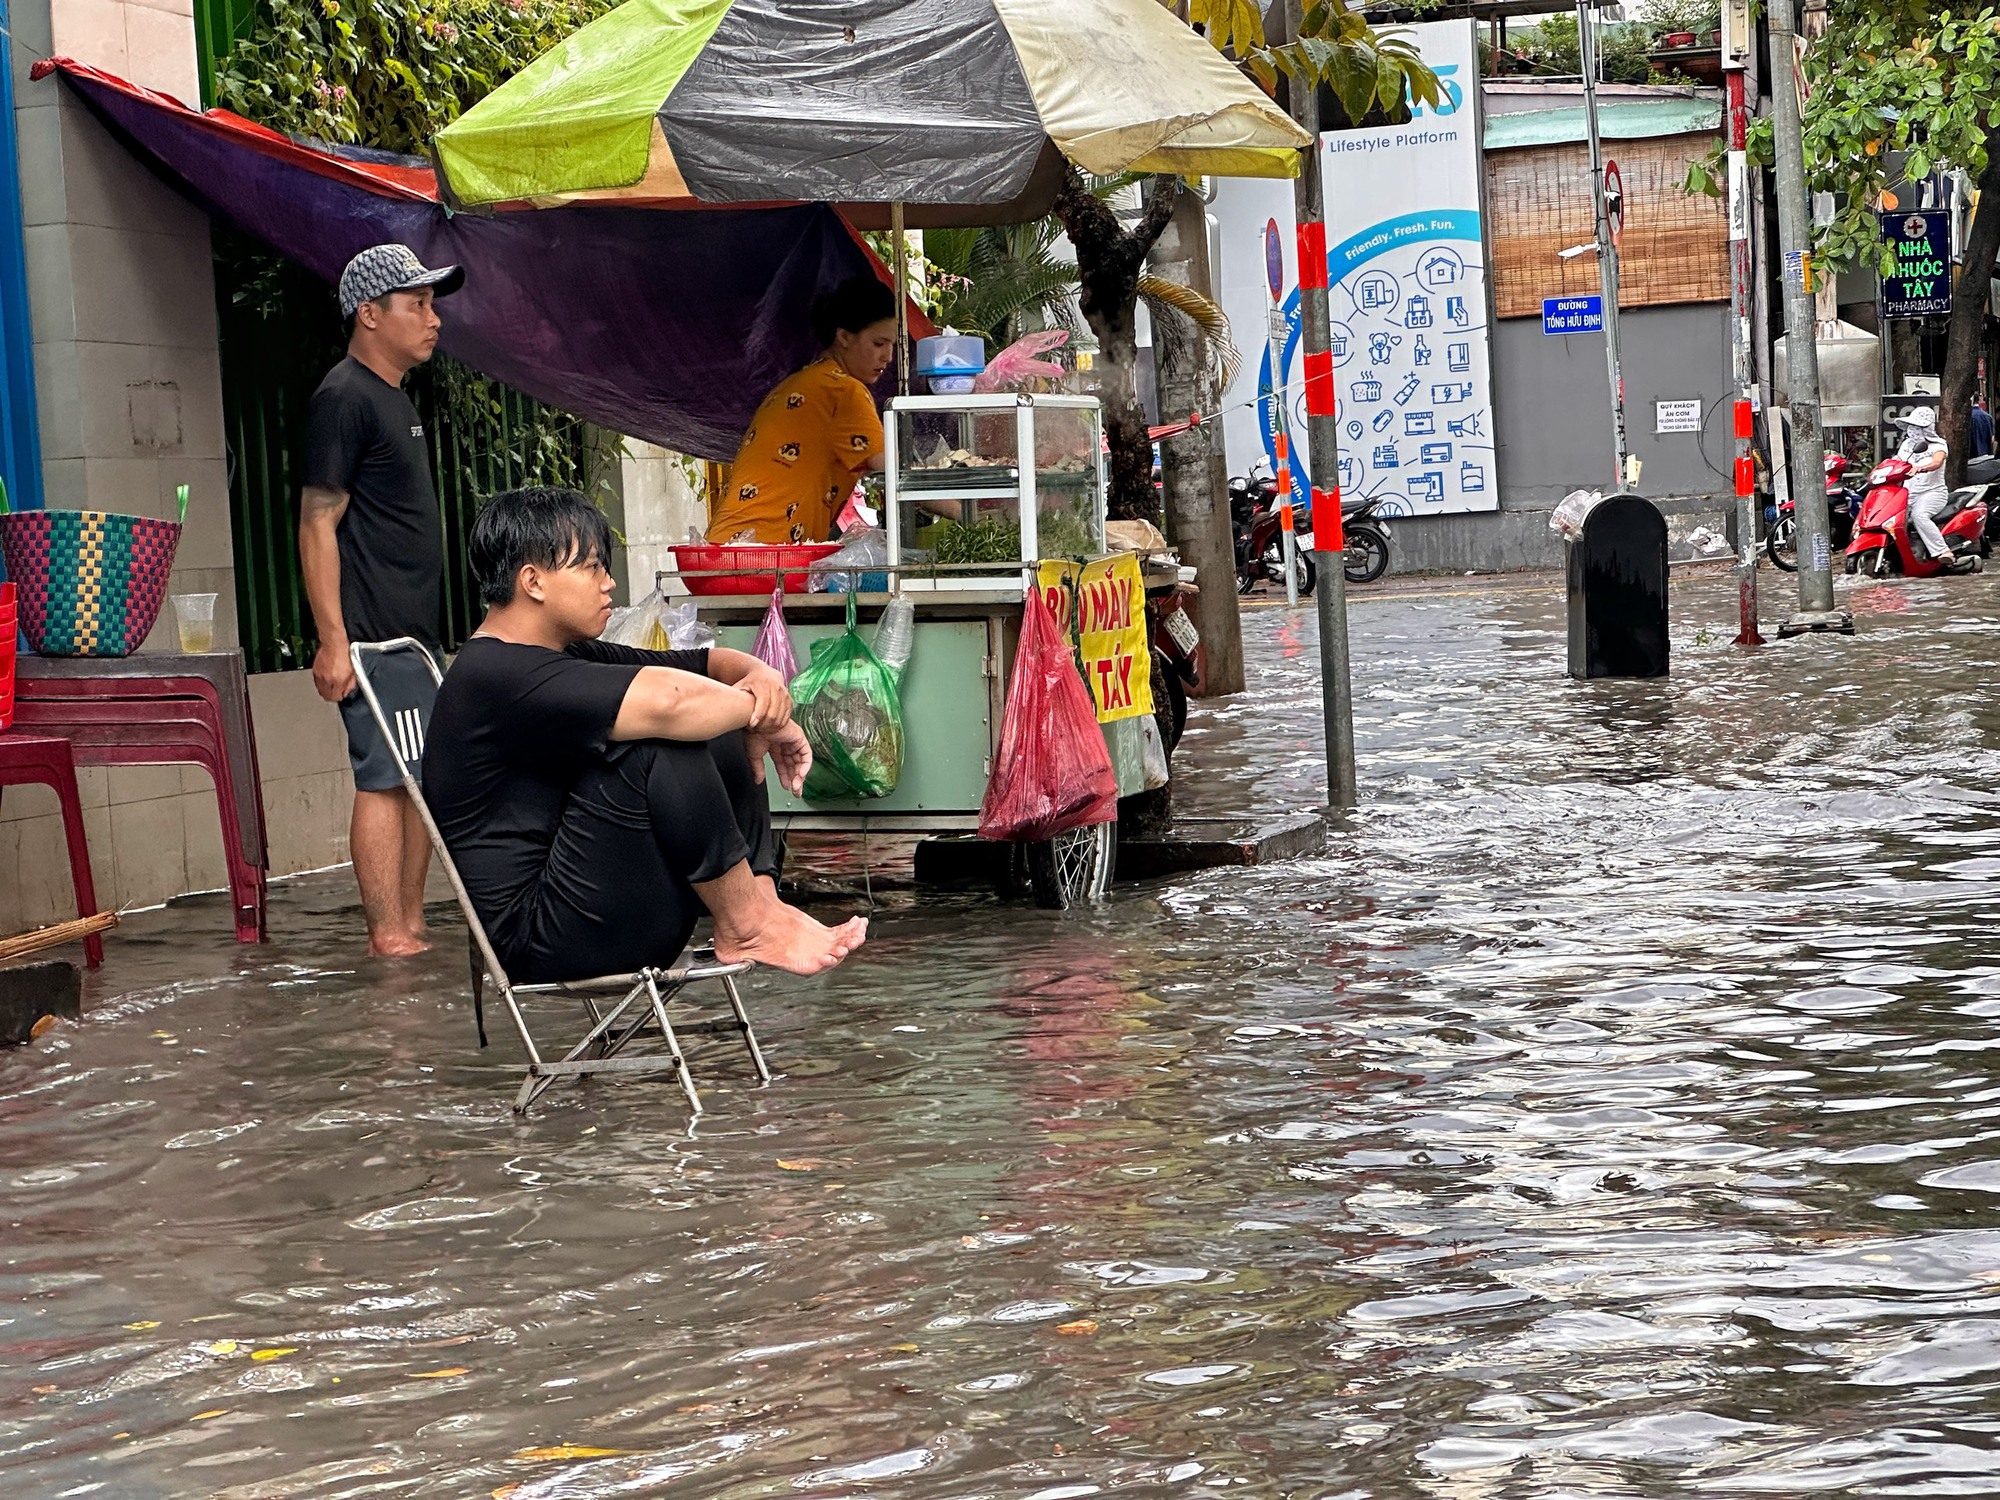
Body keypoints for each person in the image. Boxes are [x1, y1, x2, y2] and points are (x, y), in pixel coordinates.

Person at [423, 487, 868, 983]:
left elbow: (708, 668)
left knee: (712, 713)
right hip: (543, 938)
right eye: (592, 567)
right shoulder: (495, 675)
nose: (609, 584)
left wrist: (760, 677)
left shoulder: (562, 654)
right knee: (660, 741)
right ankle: (745, 920)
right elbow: (670, 703)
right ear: (534, 581)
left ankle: (759, 900)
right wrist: (767, 716)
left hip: (596, 909)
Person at [300, 244, 466, 957]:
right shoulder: (343, 396)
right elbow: (317, 520)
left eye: (433, 304)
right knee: (383, 775)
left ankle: (410, 926)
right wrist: (334, 640)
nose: (433, 320)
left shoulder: (394, 398)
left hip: (411, 635)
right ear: (371, 314)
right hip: (371, 637)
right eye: (417, 304)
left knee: (416, 778)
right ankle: (387, 935)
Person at [705, 275, 896, 545]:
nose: (887, 357)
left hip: (725, 549)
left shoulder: (802, 381)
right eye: (879, 344)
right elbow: (896, 474)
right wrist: (967, 510)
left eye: (892, 345)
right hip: (765, 556)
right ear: (843, 336)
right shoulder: (843, 391)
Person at [1894, 405, 1966, 568]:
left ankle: (1943, 551)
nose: (1913, 430)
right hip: (1907, 493)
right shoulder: (1907, 445)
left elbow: (1937, 461)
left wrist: (1921, 468)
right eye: (1912, 427)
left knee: (1920, 516)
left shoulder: (1938, 445)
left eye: (1918, 427)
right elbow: (1897, 461)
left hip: (1932, 493)